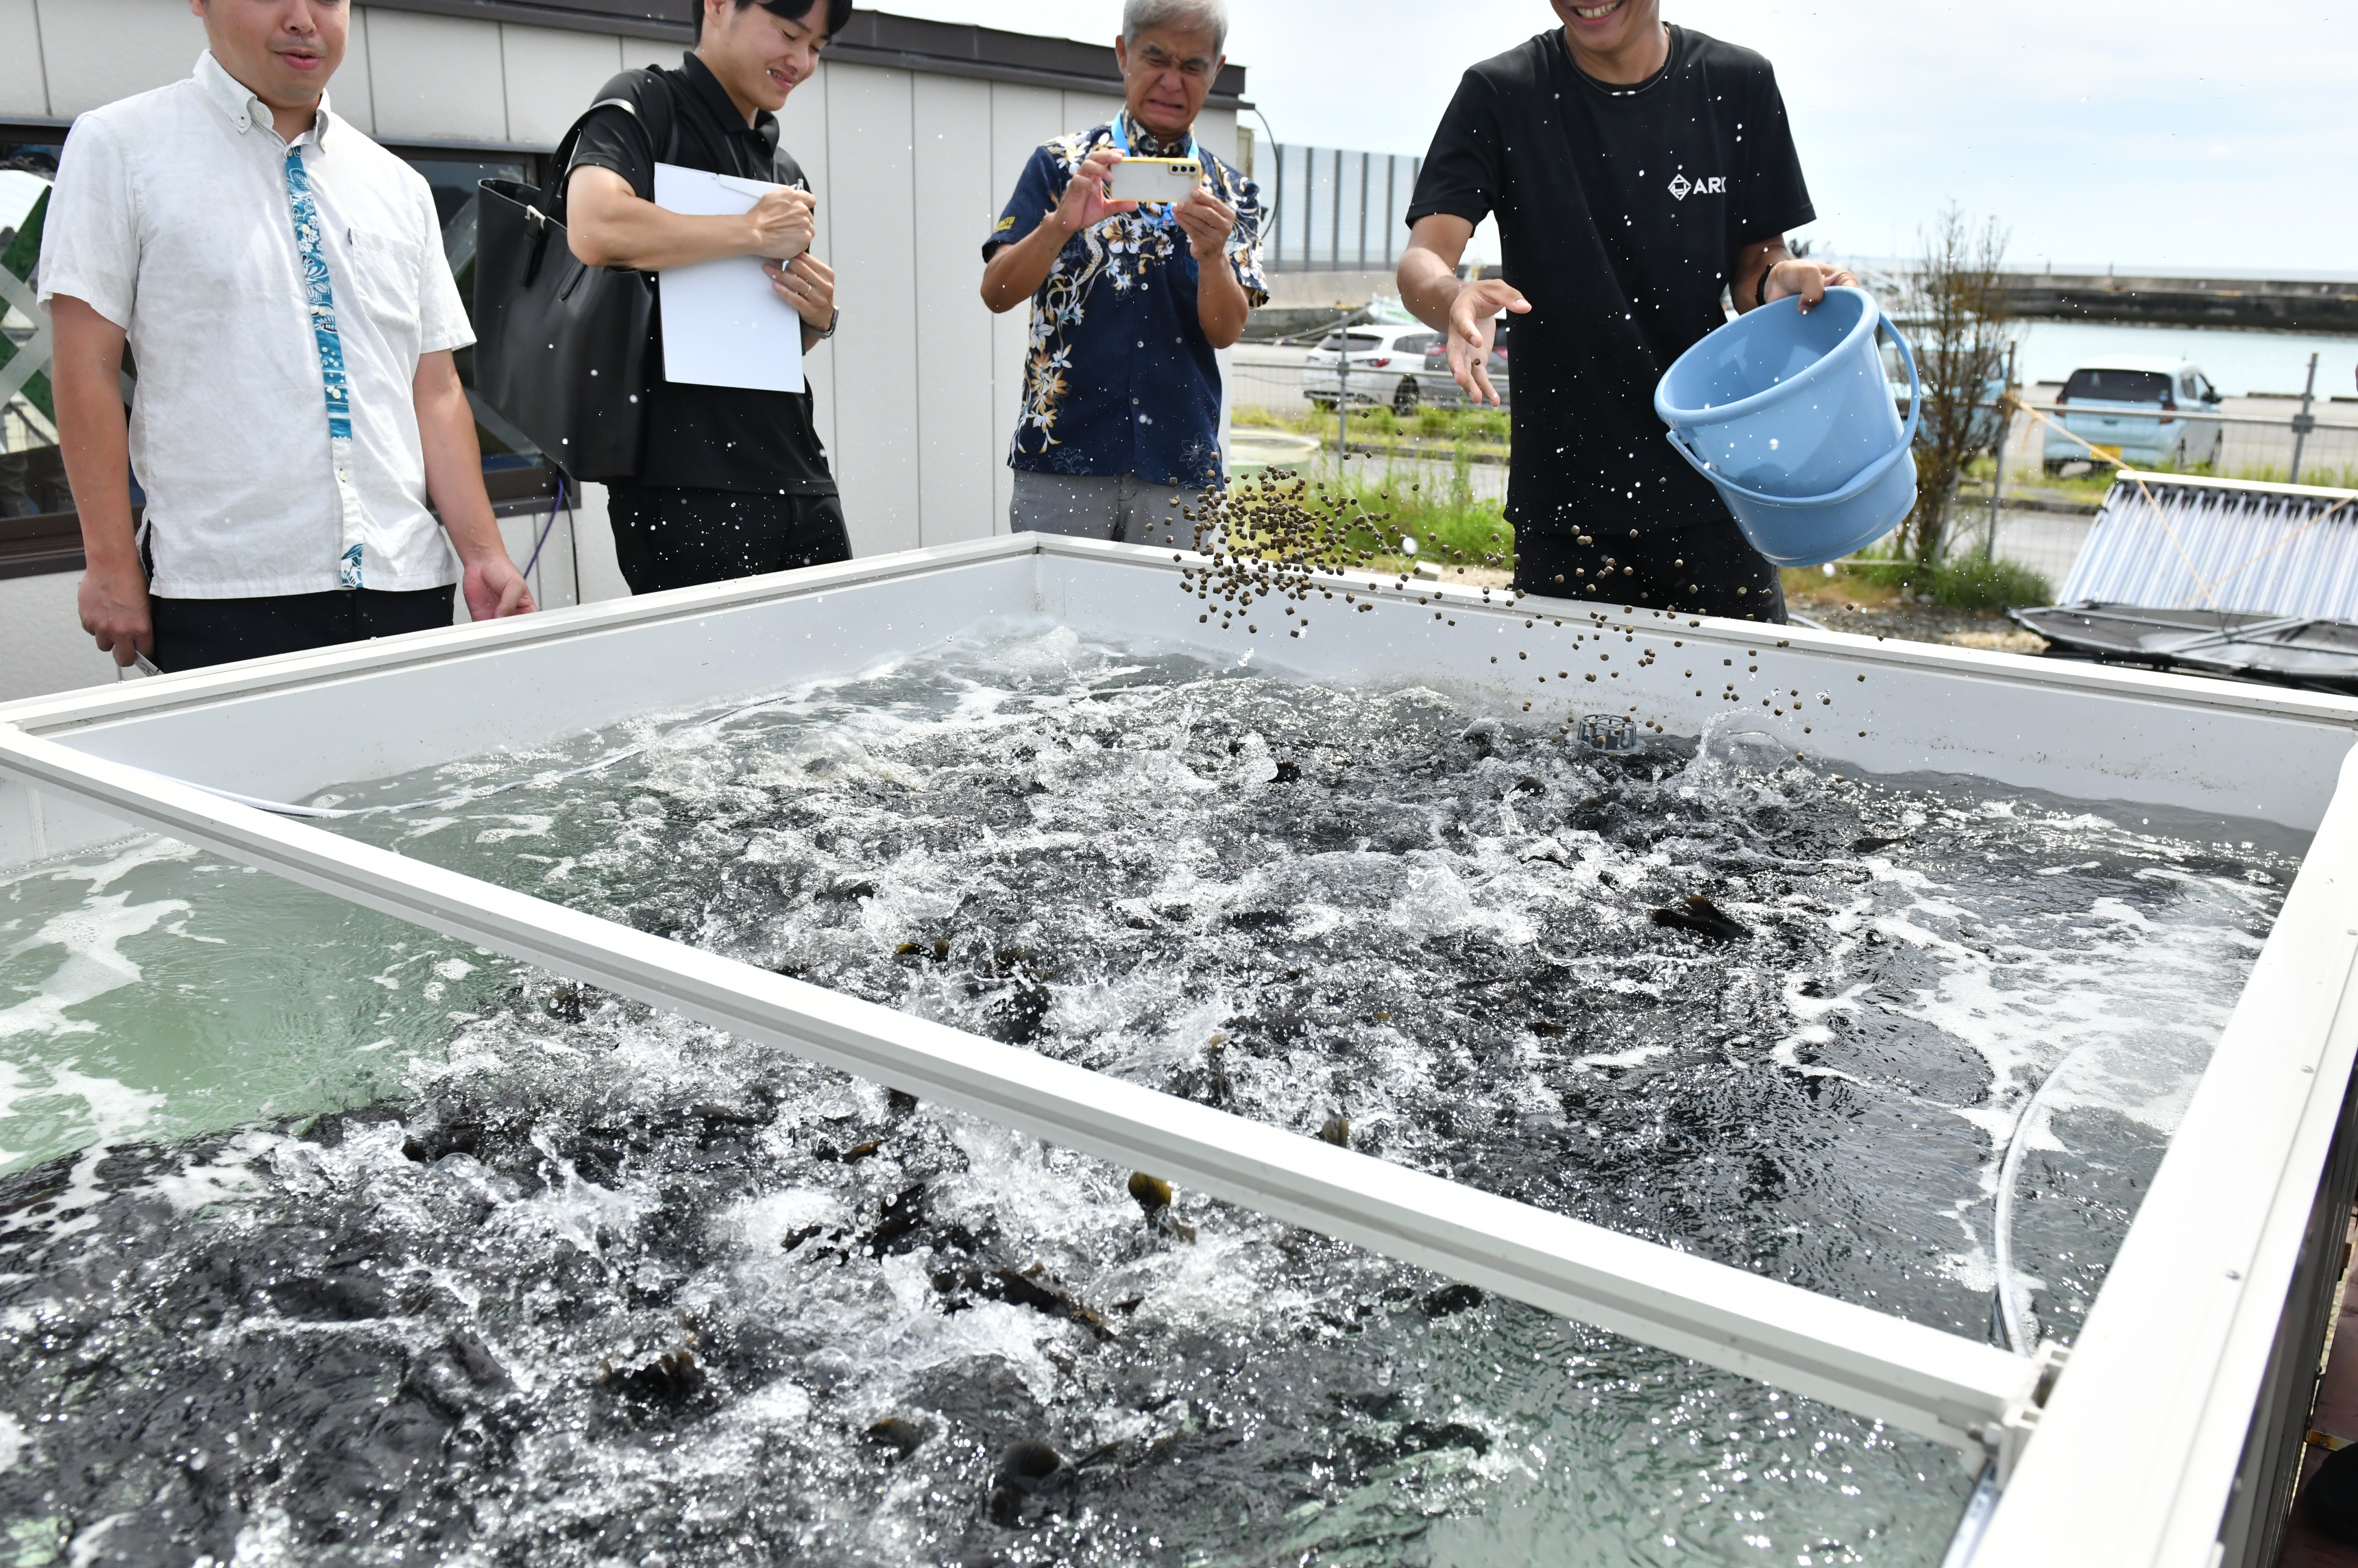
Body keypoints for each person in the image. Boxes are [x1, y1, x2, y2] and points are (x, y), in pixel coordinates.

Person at [45, 0, 535, 673]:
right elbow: (85, 365)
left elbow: (435, 387)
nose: (304, 19)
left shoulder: (399, 186)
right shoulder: (121, 146)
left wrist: (481, 553)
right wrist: (108, 561)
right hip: (224, 590)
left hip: (406, 584)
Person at [1396, 0, 1858, 623]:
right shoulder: (1501, 92)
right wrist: (1453, 296)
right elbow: (1423, 257)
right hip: (1565, 502)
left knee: (1745, 687)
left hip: (1719, 485)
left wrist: (1781, 279)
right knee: (1559, 692)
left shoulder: (1737, 83)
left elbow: (1757, 262)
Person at [566, 0, 849, 596]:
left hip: (801, 473)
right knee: (720, 663)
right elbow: (594, 225)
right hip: (685, 482)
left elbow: (763, 342)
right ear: (719, 5)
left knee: (843, 657)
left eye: (817, 48)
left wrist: (817, 317)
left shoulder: (782, 166)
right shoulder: (645, 102)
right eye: (789, 33)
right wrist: (750, 231)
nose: (801, 62)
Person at [980, 0, 1265, 543]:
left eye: (1193, 66)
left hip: (1180, 467)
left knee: (1169, 606)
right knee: (1053, 605)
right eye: (1156, 58)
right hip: (1060, 455)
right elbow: (996, 291)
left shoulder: (1231, 192)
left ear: (1216, 71)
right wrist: (1060, 224)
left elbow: (1226, 331)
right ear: (1123, 54)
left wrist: (1212, 256)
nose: (1172, 81)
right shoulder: (1061, 164)